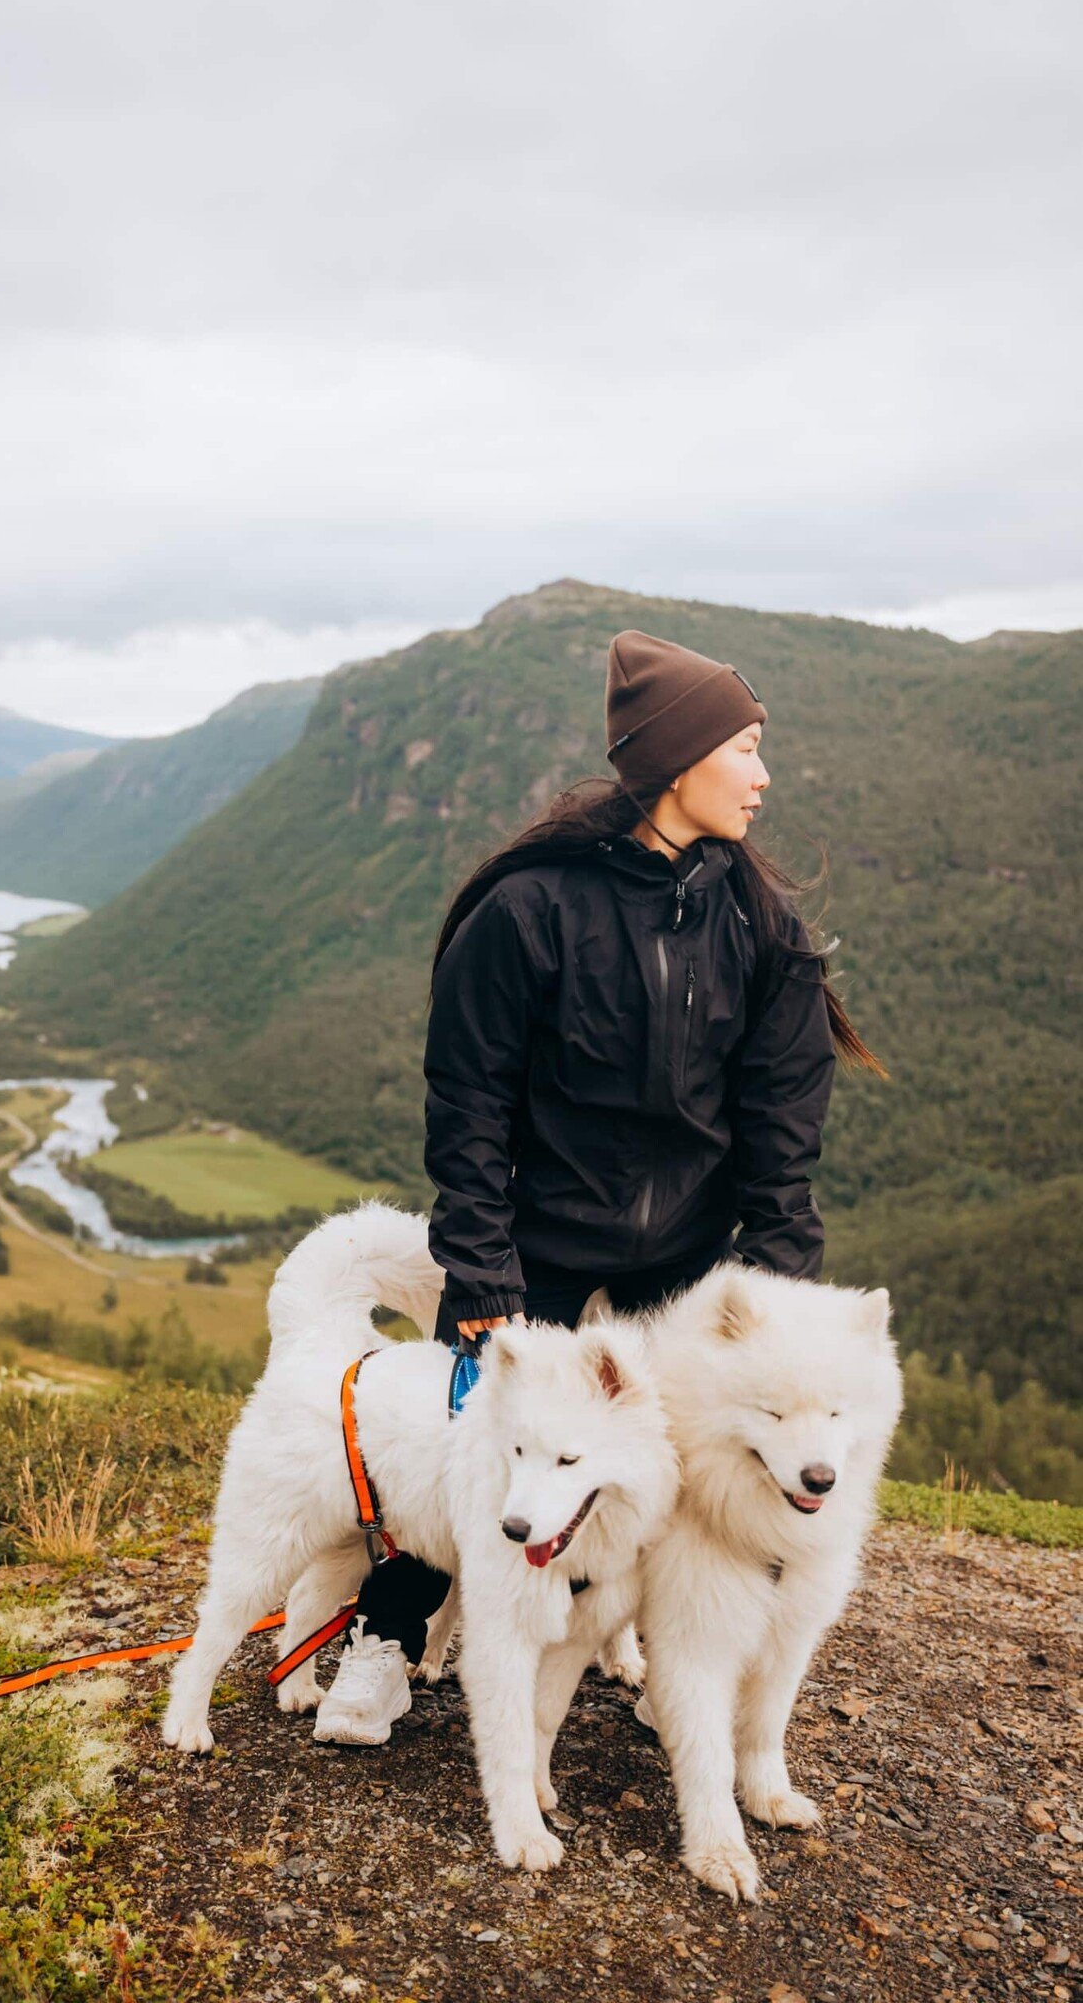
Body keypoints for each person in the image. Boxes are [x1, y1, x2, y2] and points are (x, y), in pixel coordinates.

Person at [311, 626, 885, 1747]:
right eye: (747, 747)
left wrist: (775, 1300)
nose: (764, 775)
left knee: (661, 1476)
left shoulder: (760, 926)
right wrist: (481, 1273)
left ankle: (646, 1648)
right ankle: (388, 1640)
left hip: (684, 1263)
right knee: (470, 1448)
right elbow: (467, 1107)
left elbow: (781, 1134)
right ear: (678, 760)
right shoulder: (527, 913)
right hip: (534, 1246)